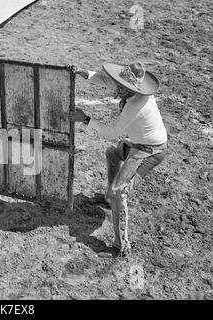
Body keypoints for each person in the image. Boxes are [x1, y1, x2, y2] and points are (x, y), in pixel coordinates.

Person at [70, 61, 168, 258]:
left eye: (122, 87)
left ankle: (121, 247)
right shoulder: (131, 91)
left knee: (119, 192)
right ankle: (109, 200)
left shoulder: (137, 105)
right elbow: (107, 80)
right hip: (140, 143)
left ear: (132, 88)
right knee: (113, 154)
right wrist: (85, 72)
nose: (118, 89)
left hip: (150, 150)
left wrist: (86, 119)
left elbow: (112, 132)